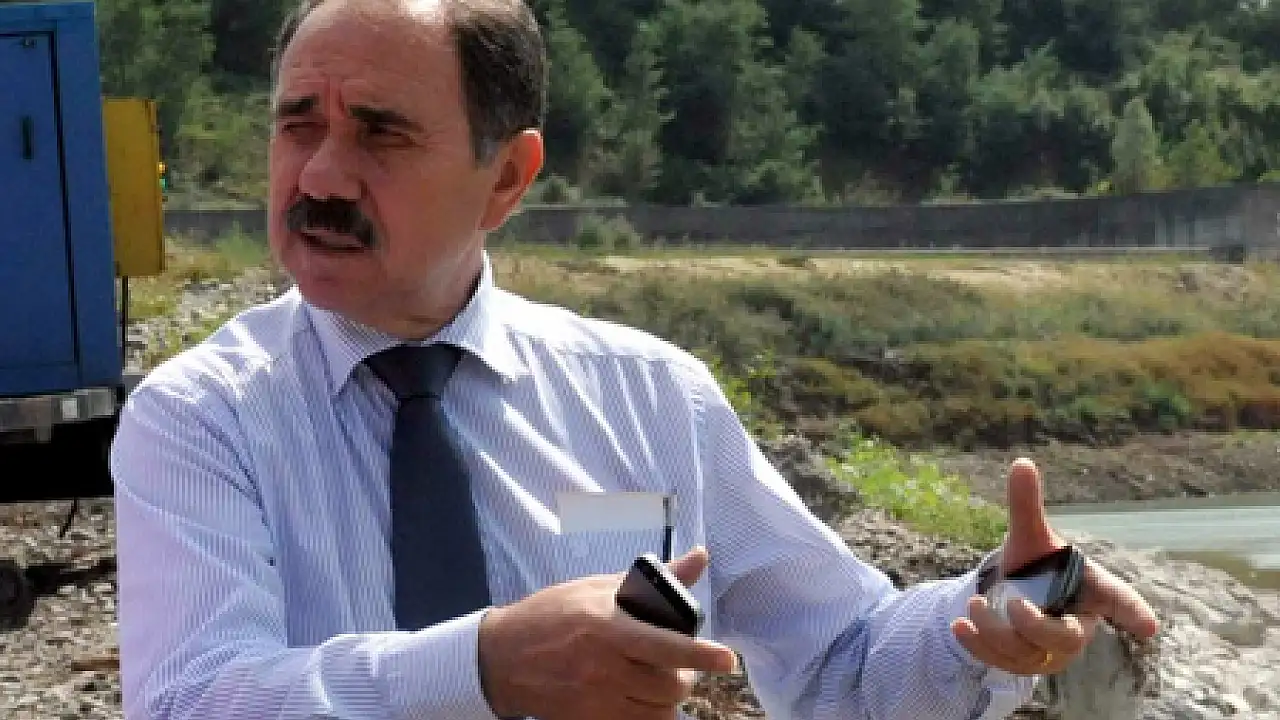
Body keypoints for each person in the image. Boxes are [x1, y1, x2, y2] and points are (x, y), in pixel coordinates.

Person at [107, 0, 1160, 719]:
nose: (321, 176)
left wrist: (995, 609)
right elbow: (192, 700)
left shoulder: (650, 397)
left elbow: (839, 663)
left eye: (381, 134)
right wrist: (482, 665)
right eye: (299, 125)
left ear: (506, 178)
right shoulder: (201, 418)